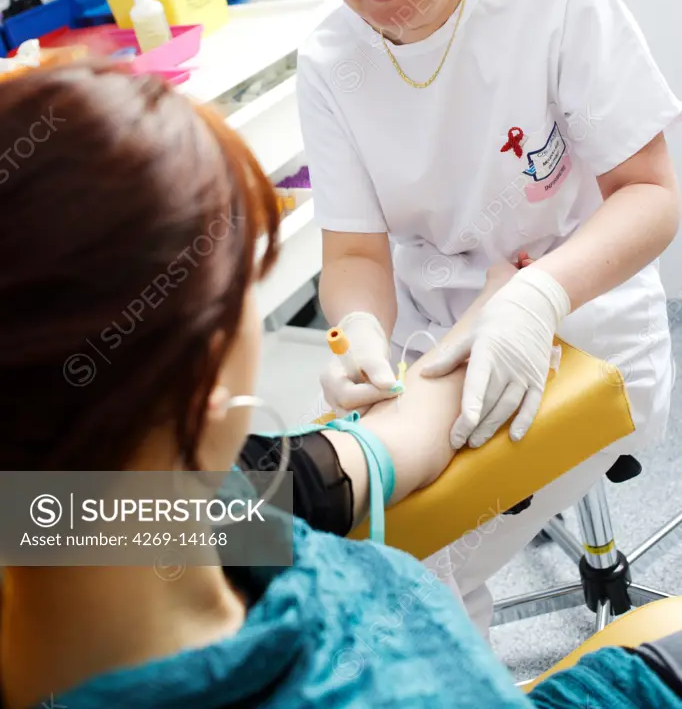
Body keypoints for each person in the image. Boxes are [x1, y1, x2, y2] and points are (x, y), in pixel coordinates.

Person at [1, 62, 681, 709]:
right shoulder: (376, 673)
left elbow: (387, 445)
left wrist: (492, 308)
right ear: (203, 383)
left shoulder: (76, 508)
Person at [277, 0, 682, 630]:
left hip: (583, 315)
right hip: (427, 345)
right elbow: (353, 253)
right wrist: (358, 337)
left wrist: (534, 293)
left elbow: (650, 193)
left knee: (402, 568)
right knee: (347, 538)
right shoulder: (330, 59)